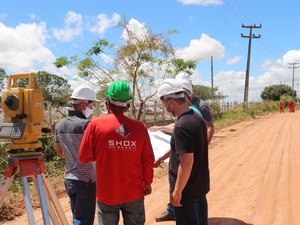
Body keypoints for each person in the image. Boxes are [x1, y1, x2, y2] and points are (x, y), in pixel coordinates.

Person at [78, 80, 155, 225]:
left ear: (107, 103)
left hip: (107, 193)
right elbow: (148, 160)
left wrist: (104, 152)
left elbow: (83, 156)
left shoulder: (95, 125)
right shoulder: (140, 128)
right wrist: (148, 182)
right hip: (134, 192)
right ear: (128, 105)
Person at [150, 73, 214, 222]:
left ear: (170, 101)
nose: (164, 107)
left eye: (163, 103)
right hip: (199, 186)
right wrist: (161, 158)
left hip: (187, 191)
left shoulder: (182, 126)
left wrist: (178, 191)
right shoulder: (196, 117)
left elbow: (186, 162)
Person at [55, 85, 98, 225]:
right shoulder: (87, 125)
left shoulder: (59, 125)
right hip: (86, 180)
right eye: (92, 103)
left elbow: (59, 153)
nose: (92, 106)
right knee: (83, 220)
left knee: (77, 216)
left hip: (69, 179)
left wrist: (73, 158)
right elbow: (94, 154)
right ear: (83, 105)